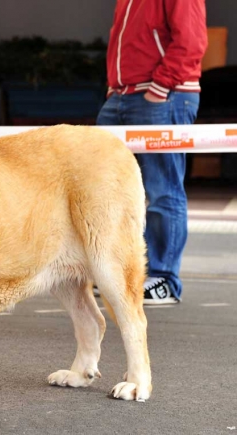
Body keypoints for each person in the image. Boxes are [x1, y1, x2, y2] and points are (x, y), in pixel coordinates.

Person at [96, 0, 207, 304]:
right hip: (124, 95)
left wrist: (160, 87)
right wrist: (116, 87)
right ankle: (124, 273)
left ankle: (163, 280)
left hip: (162, 96)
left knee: (163, 190)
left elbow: (192, 40)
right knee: (109, 190)